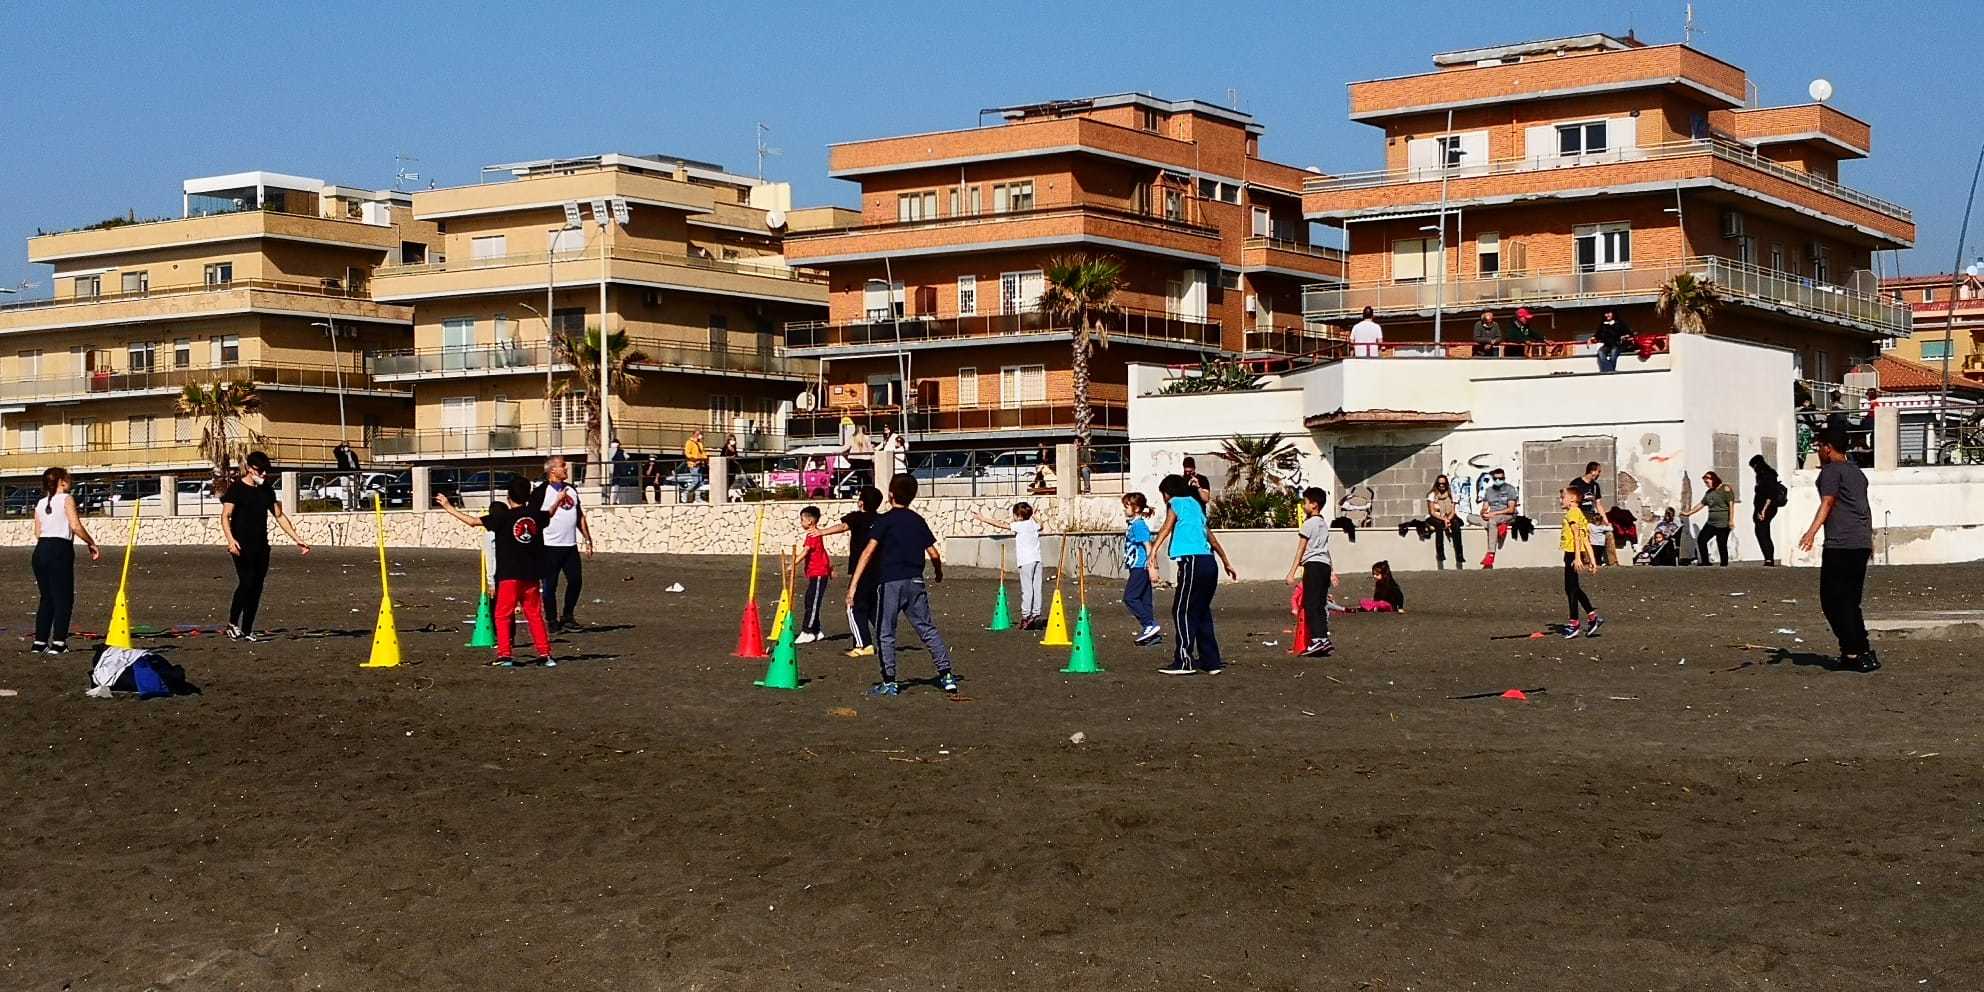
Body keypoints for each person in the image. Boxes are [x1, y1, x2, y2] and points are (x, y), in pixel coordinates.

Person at [847, 474, 959, 696]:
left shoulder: (884, 521)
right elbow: (934, 553)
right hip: (915, 581)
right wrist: (938, 572)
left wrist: (853, 585)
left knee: (885, 631)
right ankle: (946, 675)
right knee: (926, 628)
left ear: (890, 495)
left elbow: (868, 552)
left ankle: (890, 681)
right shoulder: (917, 520)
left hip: (890, 582)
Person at [435, 481, 555, 668]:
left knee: (502, 615)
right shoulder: (534, 516)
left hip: (509, 575)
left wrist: (448, 507)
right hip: (531, 574)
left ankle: (505, 654)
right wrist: (559, 499)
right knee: (534, 615)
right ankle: (544, 653)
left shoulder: (503, 517)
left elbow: (473, 522)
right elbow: (549, 513)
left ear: (509, 497)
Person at [1800, 428, 1878, 672]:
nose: (1817, 451)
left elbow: (1828, 501)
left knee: (1833, 600)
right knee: (1850, 601)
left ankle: (1852, 651)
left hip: (1841, 543)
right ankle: (1861, 650)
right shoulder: (1857, 472)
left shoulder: (1831, 471)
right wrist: (1869, 537)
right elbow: (1864, 507)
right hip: (1860, 541)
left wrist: (1811, 532)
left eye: (1818, 446)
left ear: (1828, 447)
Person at [1150, 473, 1239, 675]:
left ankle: (1183, 661)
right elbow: (1211, 538)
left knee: (1182, 610)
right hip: (1209, 562)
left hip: (1192, 562)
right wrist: (1226, 562)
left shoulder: (1176, 502)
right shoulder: (1195, 506)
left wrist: (1154, 550)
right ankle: (1211, 662)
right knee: (1201, 611)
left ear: (1167, 493)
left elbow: (1167, 526)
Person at [220, 451, 311, 641]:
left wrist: (297, 539)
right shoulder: (236, 489)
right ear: (250, 469)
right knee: (246, 582)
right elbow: (225, 516)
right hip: (240, 545)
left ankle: (247, 629)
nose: (263, 475)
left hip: (261, 546)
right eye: (260, 471)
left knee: (257, 586)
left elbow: (279, 515)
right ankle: (232, 623)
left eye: (265, 471)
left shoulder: (266, 490)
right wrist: (230, 540)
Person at [29, 467, 100, 655]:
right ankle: (59, 642)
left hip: (41, 550)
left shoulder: (40, 503)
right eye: (68, 478)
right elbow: (75, 526)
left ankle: (40, 642)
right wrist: (91, 542)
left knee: (47, 598)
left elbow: (37, 532)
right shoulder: (66, 499)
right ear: (61, 481)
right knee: (64, 598)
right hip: (59, 549)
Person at [531, 456, 593, 631]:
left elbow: (579, 515)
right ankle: (551, 620)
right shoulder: (541, 491)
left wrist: (587, 539)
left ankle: (567, 615)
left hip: (569, 546)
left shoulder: (571, 489)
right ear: (552, 470)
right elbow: (533, 518)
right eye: (562, 466)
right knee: (550, 585)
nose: (566, 468)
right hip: (549, 546)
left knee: (575, 581)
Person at [1285, 486, 1339, 657]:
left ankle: (1317, 639)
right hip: (1324, 566)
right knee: (1320, 603)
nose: (1303, 505)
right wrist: (1332, 571)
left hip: (1314, 566)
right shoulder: (1323, 524)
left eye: (1306, 502)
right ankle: (1323, 637)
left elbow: (1301, 549)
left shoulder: (1309, 524)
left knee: (1311, 604)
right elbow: (1326, 550)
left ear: (1314, 505)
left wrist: (1291, 572)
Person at [975, 503, 1044, 630]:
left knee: (1027, 589)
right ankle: (1035, 613)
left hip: (1026, 561)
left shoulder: (1019, 525)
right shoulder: (1032, 524)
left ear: (1018, 516)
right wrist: (1035, 516)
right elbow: (1042, 525)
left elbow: (1000, 524)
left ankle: (1026, 616)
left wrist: (983, 519)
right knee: (1036, 587)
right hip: (1037, 560)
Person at [839, 486, 884, 658]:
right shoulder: (881, 520)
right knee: (872, 607)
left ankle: (862, 644)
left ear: (861, 502)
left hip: (861, 570)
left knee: (853, 606)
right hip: (878, 571)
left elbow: (842, 527)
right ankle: (883, 638)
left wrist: (821, 532)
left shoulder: (857, 517)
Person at [1558, 484, 1605, 638]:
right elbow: (1586, 539)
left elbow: (1578, 536)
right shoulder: (1579, 514)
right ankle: (1592, 617)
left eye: (1562, 497)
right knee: (1573, 588)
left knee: (1571, 590)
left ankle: (1574, 623)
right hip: (1574, 554)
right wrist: (1592, 560)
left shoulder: (1572, 513)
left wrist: (1578, 557)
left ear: (1572, 499)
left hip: (1572, 555)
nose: (1560, 501)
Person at [1120, 492, 1161, 645]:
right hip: (1137, 567)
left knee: (1130, 597)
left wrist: (1153, 567)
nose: (1124, 510)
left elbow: (1148, 546)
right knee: (1145, 600)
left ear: (1136, 508)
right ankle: (1151, 633)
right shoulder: (1134, 524)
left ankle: (1149, 624)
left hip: (1140, 567)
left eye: (1127, 506)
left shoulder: (1138, 525)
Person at [1680, 470, 1738, 566]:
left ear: (1713, 479)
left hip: (1723, 523)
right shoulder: (1709, 493)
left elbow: (1731, 505)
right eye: (1705, 483)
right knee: (1701, 540)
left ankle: (1724, 564)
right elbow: (1701, 504)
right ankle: (1705, 561)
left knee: (1721, 544)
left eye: (1707, 482)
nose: (1706, 485)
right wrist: (1688, 513)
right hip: (1711, 523)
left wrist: (1731, 520)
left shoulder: (1725, 489)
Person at [793, 506, 833, 644]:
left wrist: (794, 563)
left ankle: (808, 631)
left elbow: (805, 552)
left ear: (810, 521)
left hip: (819, 574)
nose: (801, 522)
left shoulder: (812, 535)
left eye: (802, 519)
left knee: (813, 602)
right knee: (810, 600)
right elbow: (822, 553)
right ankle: (816, 630)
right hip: (816, 574)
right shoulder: (815, 534)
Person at [1569, 461, 1617, 566]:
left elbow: (1598, 504)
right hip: (1580, 515)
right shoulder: (1576, 483)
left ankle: (1613, 562)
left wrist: (1606, 521)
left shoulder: (1595, 486)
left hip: (1593, 516)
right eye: (1598, 471)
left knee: (1608, 533)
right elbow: (1571, 502)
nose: (1599, 474)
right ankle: (1587, 561)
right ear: (1592, 471)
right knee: (1585, 535)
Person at [1477, 468, 1520, 568]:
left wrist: (1493, 514)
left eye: (1501, 478)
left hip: (1507, 515)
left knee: (1492, 522)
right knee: (1470, 518)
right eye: (1496, 478)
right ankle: (1500, 527)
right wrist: (1484, 513)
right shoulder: (1489, 491)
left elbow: (1511, 509)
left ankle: (1491, 554)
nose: (1498, 480)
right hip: (1494, 516)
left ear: (1504, 478)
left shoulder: (1510, 489)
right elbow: (1484, 507)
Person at [1751, 454, 1787, 566]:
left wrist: (1763, 510)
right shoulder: (1762, 475)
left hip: (1766, 508)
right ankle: (1768, 558)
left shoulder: (1768, 475)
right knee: (1762, 532)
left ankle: (1769, 559)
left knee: (1762, 532)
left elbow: (1770, 495)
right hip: (1760, 507)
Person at [1426, 474, 1465, 570]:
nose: (1441, 486)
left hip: (1448, 516)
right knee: (1439, 526)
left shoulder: (1451, 495)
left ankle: (1459, 555)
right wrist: (1444, 519)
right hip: (1436, 516)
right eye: (1439, 484)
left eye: (1443, 483)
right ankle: (1440, 554)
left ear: (1446, 484)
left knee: (1456, 526)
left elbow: (1453, 511)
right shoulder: (1432, 495)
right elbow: (1432, 512)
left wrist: (1448, 519)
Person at [1594, 309, 1630, 373]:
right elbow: (1597, 334)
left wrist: (1625, 336)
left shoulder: (1619, 323)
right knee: (1600, 352)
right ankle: (1611, 369)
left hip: (1617, 344)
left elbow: (1628, 333)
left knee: (1613, 352)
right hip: (1607, 345)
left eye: (1609, 313)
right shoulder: (1603, 324)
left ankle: (1609, 370)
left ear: (1613, 314)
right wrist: (1592, 338)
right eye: (1606, 313)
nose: (1607, 315)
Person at [683, 429, 709, 503]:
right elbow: (687, 453)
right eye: (699, 434)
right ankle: (685, 492)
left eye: (700, 434)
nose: (700, 436)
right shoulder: (689, 442)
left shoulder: (699, 443)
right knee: (696, 481)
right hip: (693, 464)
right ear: (694, 434)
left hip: (700, 464)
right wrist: (696, 458)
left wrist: (705, 458)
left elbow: (702, 452)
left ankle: (697, 498)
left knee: (700, 482)